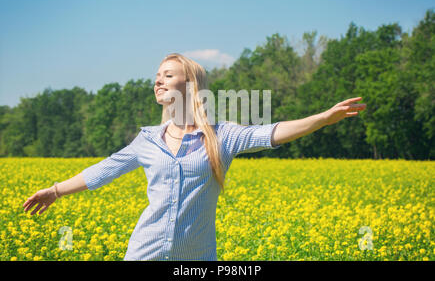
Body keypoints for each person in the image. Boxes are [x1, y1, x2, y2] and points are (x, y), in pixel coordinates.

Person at [22, 53, 366, 260]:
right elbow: (103, 171)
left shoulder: (221, 136)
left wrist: (323, 118)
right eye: (156, 77)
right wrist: (56, 190)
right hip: (143, 252)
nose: (158, 82)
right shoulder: (147, 140)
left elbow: (272, 133)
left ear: (190, 86)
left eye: (167, 76)